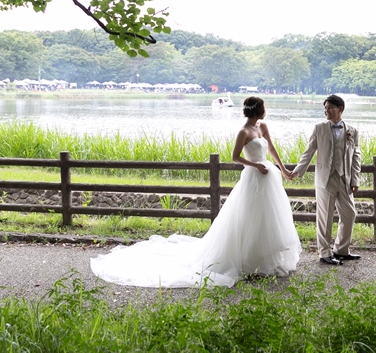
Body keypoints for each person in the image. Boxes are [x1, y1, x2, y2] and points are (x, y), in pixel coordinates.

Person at [90, 97, 301, 287]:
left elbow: (271, 149)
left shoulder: (262, 126)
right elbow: (235, 157)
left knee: (268, 219)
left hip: (269, 178)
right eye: (263, 107)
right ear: (257, 110)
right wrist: (255, 166)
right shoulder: (243, 132)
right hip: (253, 177)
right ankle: (248, 262)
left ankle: (265, 262)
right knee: (249, 219)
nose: (265, 111)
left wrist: (282, 169)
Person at [290, 94, 361, 265]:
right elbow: (309, 151)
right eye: (325, 108)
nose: (326, 111)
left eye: (330, 108)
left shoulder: (352, 130)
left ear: (340, 109)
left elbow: (356, 156)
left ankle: (341, 250)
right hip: (325, 178)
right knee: (325, 216)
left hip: (344, 178)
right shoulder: (319, 128)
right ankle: (324, 253)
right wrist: (298, 171)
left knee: (350, 214)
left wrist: (355, 180)